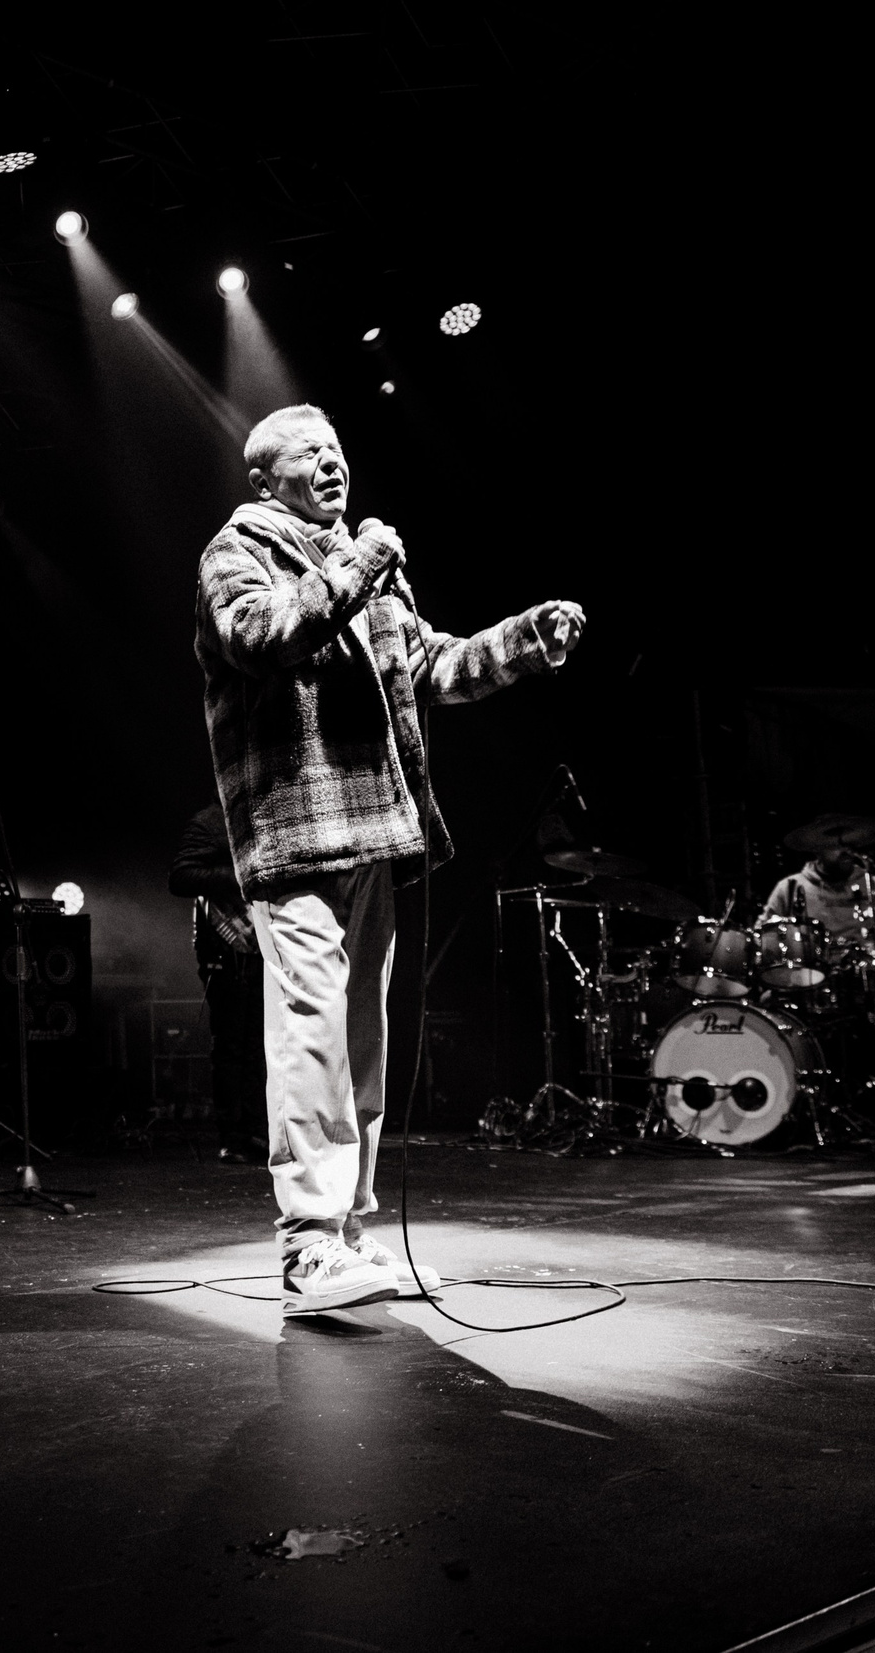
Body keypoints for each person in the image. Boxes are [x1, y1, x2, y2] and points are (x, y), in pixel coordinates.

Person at [196, 403, 583, 1316]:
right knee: (309, 1033)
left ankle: (351, 1236)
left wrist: (525, 638)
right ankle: (306, 1248)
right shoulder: (237, 550)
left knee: (360, 1038)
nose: (332, 466)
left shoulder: (363, 570)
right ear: (265, 480)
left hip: (372, 829)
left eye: (337, 452)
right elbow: (266, 637)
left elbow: (435, 668)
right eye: (308, 455)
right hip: (295, 831)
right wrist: (363, 563)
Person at [170, 802, 263, 1161]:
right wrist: (240, 875)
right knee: (230, 1049)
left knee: (260, 1047)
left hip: (264, 947)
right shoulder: (209, 821)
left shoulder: (264, 817)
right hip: (224, 948)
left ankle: (258, 1132)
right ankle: (233, 1137)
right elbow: (180, 877)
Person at [764, 818, 875, 949]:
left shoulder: (873, 884)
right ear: (817, 850)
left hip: (866, 968)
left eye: (849, 844)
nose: (845, 851)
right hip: (812, 971)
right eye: (835, 845)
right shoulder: (790, 887)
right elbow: (765, 934)